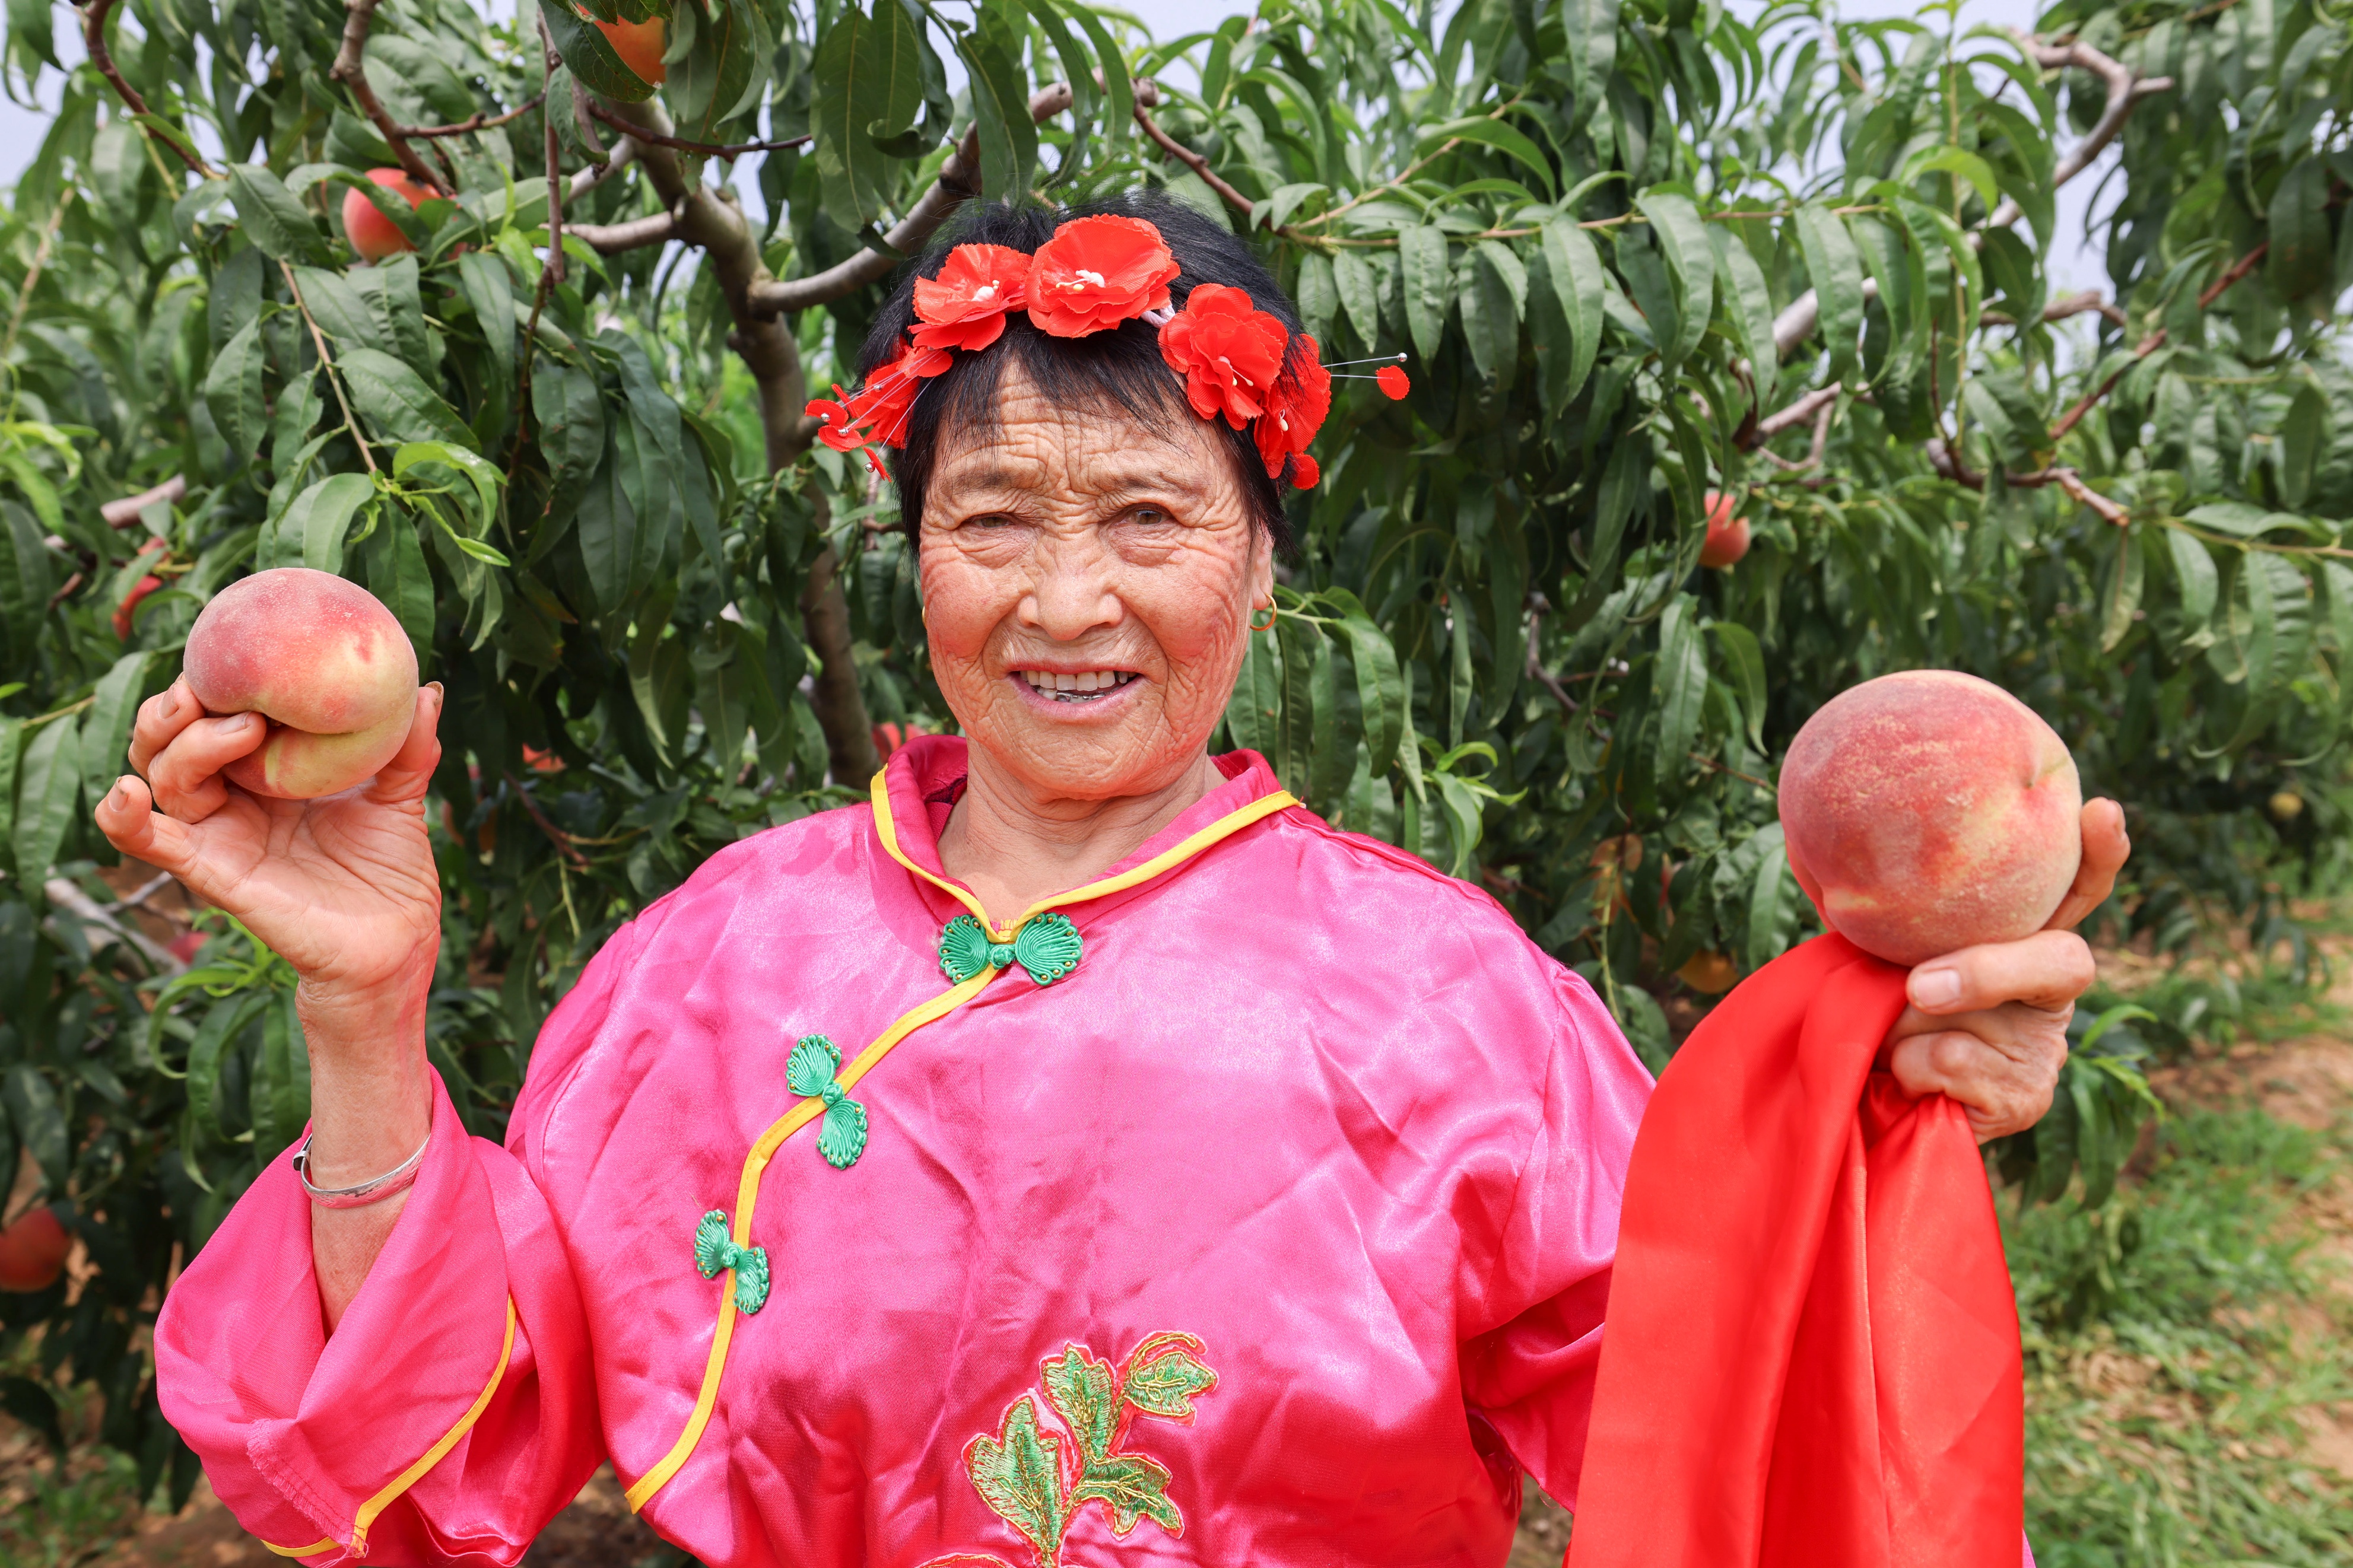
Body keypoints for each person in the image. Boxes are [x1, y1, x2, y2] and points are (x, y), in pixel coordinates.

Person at [100, 195, 2126, 1568]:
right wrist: (363, 1010)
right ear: (918, 555)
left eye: (1151, 512)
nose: (1068, 600)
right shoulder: (723, 958)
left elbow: (1722, 1419)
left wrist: (1889, 1117)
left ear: (1260, 560)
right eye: (994, 514)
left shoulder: (1442, 1000)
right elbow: (437, 1443)